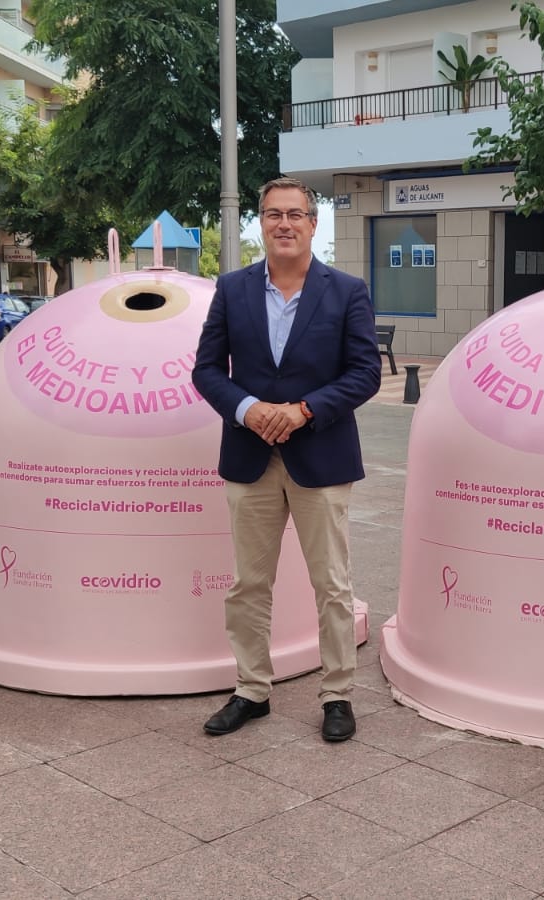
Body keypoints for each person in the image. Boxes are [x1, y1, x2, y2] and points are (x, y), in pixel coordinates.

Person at [192, 177, 381, 742]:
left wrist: (303, 411)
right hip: (250, 455)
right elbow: (206, 369)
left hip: (320, 455)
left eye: (295, 214)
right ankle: (252, 689)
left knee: (332, 584)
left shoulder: (347, 290)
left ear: (313, 223)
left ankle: (337, 694)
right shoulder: (232, 288)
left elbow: (365, 372)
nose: (284, 224)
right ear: (260, 221)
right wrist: (247, 408)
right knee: (249, 583)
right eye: (273, 214)